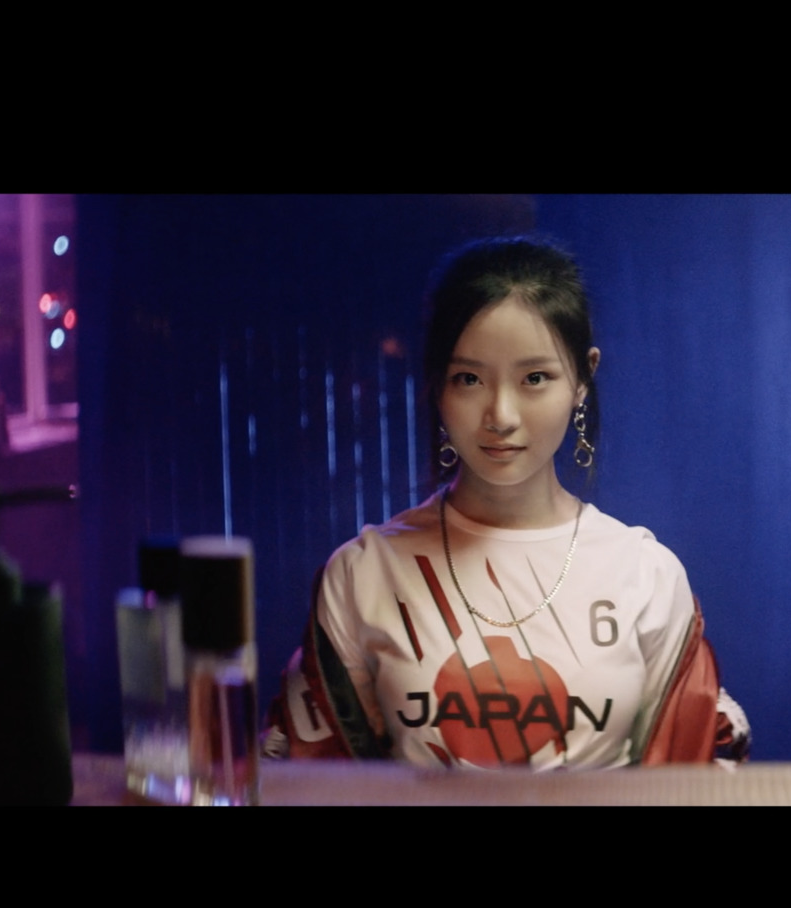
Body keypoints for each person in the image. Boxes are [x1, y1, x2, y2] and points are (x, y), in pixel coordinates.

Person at [263, 235, 749, 768]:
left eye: (535, 378)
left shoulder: (644, 575)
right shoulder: (365, 573)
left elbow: (690, 778)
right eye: (469, 378)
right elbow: (313, 779)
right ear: (437, 382)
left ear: (583, 378)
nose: (501, 414)